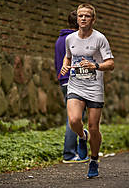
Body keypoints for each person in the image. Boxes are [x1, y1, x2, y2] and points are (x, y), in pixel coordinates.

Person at [60, 3, 114, 178]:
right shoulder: (70, 39)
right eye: (80, 16)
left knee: (94, 128)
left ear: (93, 19)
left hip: (94, 88)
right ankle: (82, 137)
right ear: (77, 18)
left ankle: (93, 160)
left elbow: (110, 63)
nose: (83, 18)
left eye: (87, 16)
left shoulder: (100, 39)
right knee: (74, 120)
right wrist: (65, 66)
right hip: (75, 85)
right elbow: (67, 57)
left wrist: (95, 65)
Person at [54, 10, 89, 163]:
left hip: (63, 81)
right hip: (75, 81)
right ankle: (69, 154)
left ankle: (74, 150)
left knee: (73, 117)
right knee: (75, 118)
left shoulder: (59, 40)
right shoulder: (75, 39)